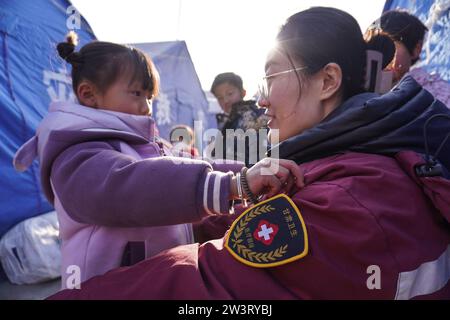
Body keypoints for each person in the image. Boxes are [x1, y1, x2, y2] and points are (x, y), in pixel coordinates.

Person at [50, 7, 450, 299]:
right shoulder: (350, 167)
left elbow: (205, 284)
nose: (259, 99)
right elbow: (234, 212)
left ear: (327, 81)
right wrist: (228, 190)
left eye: (272, 75)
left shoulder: (348, 201)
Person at [13, 32, 303, 289]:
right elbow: (131, 185)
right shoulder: (77, 152)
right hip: (106, 286)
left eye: (150, 97)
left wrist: (248, 173)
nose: (146, 106)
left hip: (150, 277)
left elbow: (187, 164)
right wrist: (234, 185)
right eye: (137, 93)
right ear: (89, 94)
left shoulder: (138, 141)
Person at [365, 10, 450, 106]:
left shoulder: (433, 92)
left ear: (416, 49)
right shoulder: (359, 89)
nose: (381, 56)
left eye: (388, 46)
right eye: (373, 46)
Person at [210, 72, 269, 167]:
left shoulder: (252, 116)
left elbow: (261, 152)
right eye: (220, 97)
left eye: (230, 94)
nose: (225, 100)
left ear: (243, 93)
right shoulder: (227, 121)